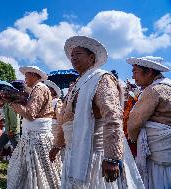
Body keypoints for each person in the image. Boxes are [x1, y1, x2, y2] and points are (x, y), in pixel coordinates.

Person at [49, 36, 144, 188]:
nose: (73, 58)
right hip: (74, 150)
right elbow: (65, 119)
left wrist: (112, 157)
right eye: (72, 55)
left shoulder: (102, 79)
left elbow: (112, 117)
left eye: (78, 54)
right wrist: (57, 145)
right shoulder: (76, 85)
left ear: (91, 57)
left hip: (95, 154)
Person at [0, 66, 61, 189]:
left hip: (36, 136)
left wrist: (12, 103)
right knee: (35, 167)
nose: (25, 78)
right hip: (34, 134)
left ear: (34, 75)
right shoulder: (37, 89)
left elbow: (30, 113)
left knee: (38, 168)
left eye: (26, 75)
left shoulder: (39, 88)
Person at [126, 56, 171, 189]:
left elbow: (135, 123)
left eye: (135, 71)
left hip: (157, 157)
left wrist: (132, 139)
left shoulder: (154, 90)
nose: (133, 77)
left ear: (150, 72)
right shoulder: (168, 87)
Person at [0, 99, 20, 168]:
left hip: (13, 132)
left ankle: (20, 167)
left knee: (18, 150)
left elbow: (14, 119)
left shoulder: (10, 105)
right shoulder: (6, 106)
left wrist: (12, 130)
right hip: (8, 131)